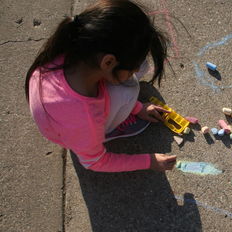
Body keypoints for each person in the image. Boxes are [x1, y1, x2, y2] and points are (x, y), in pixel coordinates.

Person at [25, 0, 177, 172]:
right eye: (131, 67)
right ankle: (107, 132)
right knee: (130, 88)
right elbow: (94, 162)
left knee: (140, 68)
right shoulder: (86, 118)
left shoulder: (74, 47)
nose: (135, 69)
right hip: (78, 131)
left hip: (67, 115)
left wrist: (138, 108)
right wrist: (149, 161)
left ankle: (120, 98)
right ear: (108, 61)